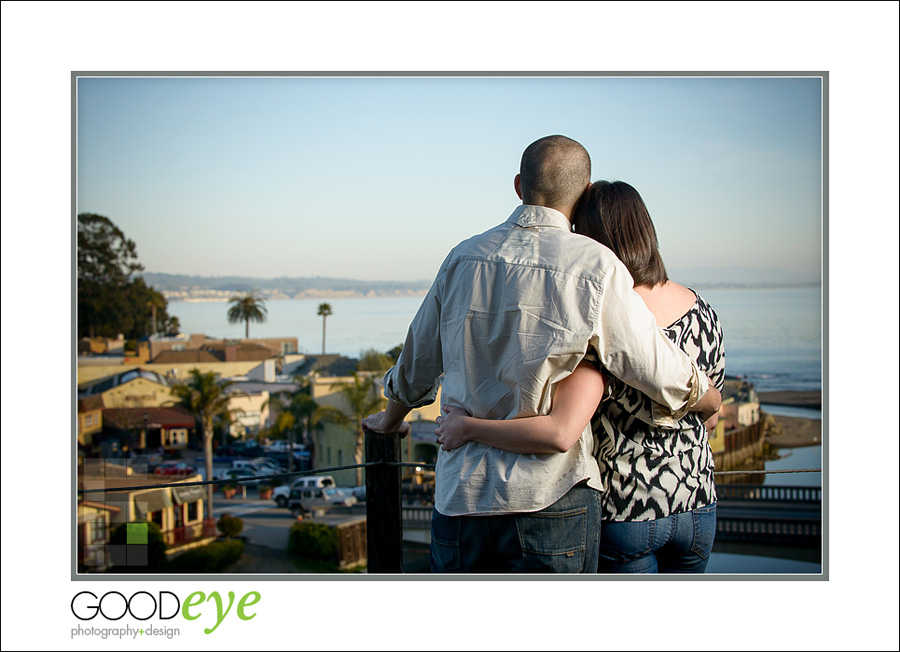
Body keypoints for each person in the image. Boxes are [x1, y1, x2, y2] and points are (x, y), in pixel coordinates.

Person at [361, 136, 720, 573]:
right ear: (586, 190)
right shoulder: (595, 264)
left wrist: (389, 420)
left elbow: (417, 362)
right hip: (552, 495)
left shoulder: (462, 257)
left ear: (518, 185)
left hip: (462, 495)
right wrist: (707, 398)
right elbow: (653, 364)